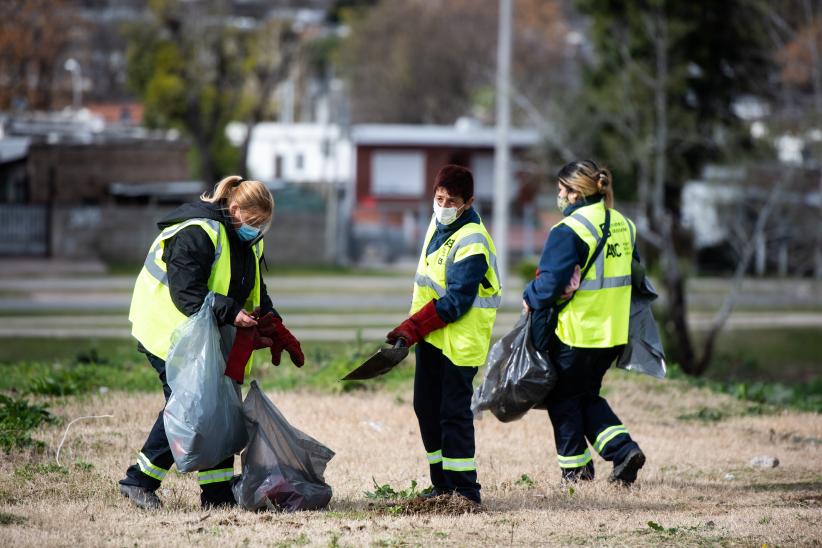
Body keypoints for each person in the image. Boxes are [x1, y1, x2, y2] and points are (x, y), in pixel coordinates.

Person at [119, 175, 304, 509]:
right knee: (192, 406)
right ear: (234, 209)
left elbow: (254, 288)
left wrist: (270, 320)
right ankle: (138, 481)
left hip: (201, 332)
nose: (257, 229)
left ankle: (216, 496)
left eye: (263, 224)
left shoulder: (249, 239)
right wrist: (232, 314)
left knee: (218, 407)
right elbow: (187, 292)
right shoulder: (197, 231)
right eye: (252, 221)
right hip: (166, 328)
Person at [523, 160, 645, 485]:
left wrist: (529, 296)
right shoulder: (624, 224)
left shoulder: (569, 230)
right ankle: (623, 451)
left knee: (563, 399)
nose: (558, 196)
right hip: (614, 332)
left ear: (575, 194)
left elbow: (549, 285)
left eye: (561, 190)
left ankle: (577, 475)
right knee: (585, 395)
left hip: (578, 331)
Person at [386, 165, 501, 505]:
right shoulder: (438, 224)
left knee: (453, 413)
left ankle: (465, 490)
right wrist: (416, 330)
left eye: (452, 201)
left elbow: (456, 303)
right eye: (439, 198)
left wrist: (412, 327)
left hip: (459, 341)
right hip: (432, 337)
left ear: (469, 202)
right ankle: (441, 484)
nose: (443, 205)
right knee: (425, 406)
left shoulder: (473, 241)